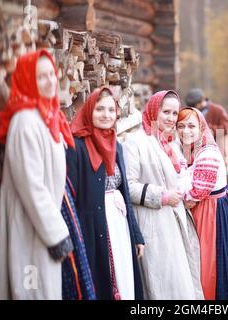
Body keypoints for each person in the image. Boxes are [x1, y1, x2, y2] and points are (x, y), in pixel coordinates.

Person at [0, 49, 75, 299]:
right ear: (28, 80)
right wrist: (56, 234)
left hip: (43, 224)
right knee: (31, 288)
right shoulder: (25, 122)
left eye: (52, 74)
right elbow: (31, 186)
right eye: (41, 77)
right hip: (31, 226)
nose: (50, 82)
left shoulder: (46, 116)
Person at [122, 90, 204, 300]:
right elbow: (128, 186)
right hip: (153, 223)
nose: (171, 118)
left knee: (181, 283)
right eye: (165, 112)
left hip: (175, 222)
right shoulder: (136, 142)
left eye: (175, 113)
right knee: (162, 282)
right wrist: (162, 196)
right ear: (153, 110)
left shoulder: (172, 143)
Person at [67, 87, 144, 300]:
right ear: (89, 110)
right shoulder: (76, 146)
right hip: (91, 228)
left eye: (111, 110)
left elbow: (125, 193)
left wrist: (135, 234)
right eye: (100, 109)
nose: (106, 115)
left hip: (119, 225)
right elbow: (70, 198)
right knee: (100, 283)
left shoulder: (116, 146)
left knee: (123, 278)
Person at [176, 107, 228, 300]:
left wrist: (169, 196)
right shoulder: (197, 150)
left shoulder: (208, 154)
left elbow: (193, 196)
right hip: (209, 210)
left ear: (201, 127)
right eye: (180, 126)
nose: (185, 131)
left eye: (191, 126)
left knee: (208, 263)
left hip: (211, 214)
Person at [184, 88, 228, 158]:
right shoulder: (190, 111)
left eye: (194, 105)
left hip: (215, 152)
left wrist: (208, 129)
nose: (193, 108)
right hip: (195, 153)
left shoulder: (218, 110)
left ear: (202, 100)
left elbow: (225, 129)